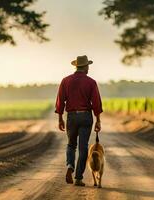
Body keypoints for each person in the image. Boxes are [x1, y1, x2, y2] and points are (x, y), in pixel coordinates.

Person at [55, 55, 103, 187]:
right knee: (83, 148)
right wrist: (98, 120)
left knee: (71, 145)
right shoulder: (91, 82)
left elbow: (60, 101)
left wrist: (60, 118)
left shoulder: (65, 81)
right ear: (86, 67)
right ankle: (78, 178)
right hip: (86, 116)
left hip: (71, 116)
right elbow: (96, 103)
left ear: (76, 66)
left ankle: (70, 165)